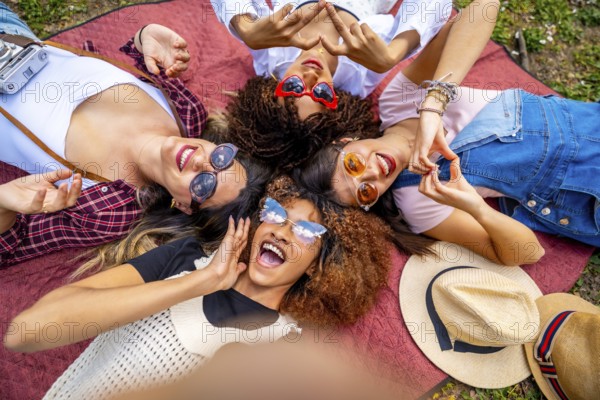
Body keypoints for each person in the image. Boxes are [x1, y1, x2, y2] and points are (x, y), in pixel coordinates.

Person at [4, 175, 394, 399]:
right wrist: (201, 281)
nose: (283, 230)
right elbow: (27, 333)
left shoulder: (288, 348)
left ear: (319, 267)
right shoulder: (185, 259)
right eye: (276, 214)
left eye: (308, 231)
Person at [0, 3, 271, 266]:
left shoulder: (109, 209)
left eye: (204, 186)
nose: (202, 163)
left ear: (184, 206)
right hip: (11, 33)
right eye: (221, 159)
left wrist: (4, 203)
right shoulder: (186, 111)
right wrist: (144, 38)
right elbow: (130, 59)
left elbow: (12, 246)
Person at [297, 0, 553, 265]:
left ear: (345, 141)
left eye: (353, 164)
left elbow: (484, 8)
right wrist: (476, 209)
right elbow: (529, 253)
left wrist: (434, 102)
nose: (371, 174)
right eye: (365, 192)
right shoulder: (418, 200)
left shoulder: (398, 102)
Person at [212, 0, 453, 170]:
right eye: (321, 94)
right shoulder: (360, 74)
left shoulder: (272, 58)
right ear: (336, 103)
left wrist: (245, 28)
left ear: (269, 90)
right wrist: (394, 53)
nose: (310, 77)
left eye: (293, 88)